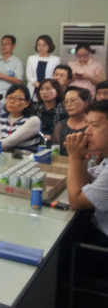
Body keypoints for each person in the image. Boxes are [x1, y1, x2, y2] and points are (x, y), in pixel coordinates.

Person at [65, 100, 108, 240]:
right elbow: (88, 182)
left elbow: (76, 202)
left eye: (95, 126)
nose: (87, 132)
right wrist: (82, 159)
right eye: (87, 125)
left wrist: (74, 158)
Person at [53, 86, 92, 156]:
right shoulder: (60, 126)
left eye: (73, 100)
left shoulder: (92, 126)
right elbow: (55, 153)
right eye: (66, 102)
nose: (68, 105)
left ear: (86, 102)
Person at [26, 34, 61, 99]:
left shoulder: (56, 59)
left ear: (49, 45)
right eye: (39, 45)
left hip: (49, 88)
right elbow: (29, 76)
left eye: (44, 45)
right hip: (33, 88)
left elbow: (54, 76)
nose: (41, 47)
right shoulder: (31, 58)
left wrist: (44, 87)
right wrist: (39, 86)